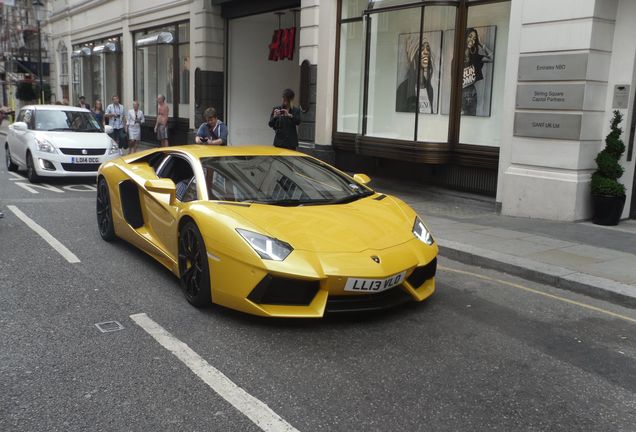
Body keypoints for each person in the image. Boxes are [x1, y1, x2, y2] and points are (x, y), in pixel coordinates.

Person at [396, 36, 436, 113]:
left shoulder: (429, 89)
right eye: (421, 49)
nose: (426, 52)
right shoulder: (403, 88)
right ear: (413, 54)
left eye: (428, 49)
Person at [462, 27, 493, 116]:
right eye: (470, 36)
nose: (472, 39)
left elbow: (492, 58)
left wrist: (481, 44)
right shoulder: (457, 58)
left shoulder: (476, 57)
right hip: (461, 96)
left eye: (474, 38)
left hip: (472, 94)